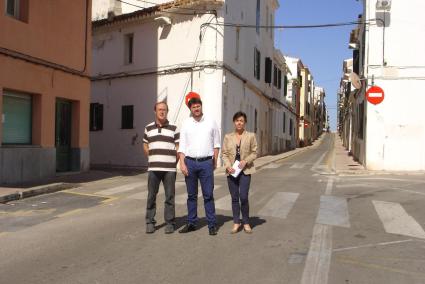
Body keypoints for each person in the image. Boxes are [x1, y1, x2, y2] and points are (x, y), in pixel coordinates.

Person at [178, 92, 221, 236]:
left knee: (208, 195)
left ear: (201, 106)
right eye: (194, 107)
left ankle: (212, 224)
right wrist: (182, 163)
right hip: (190, 162)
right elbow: (182, 146)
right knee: (191, 195)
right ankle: (191, 222)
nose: (196, 108)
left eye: (198, 106)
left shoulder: (211, 121)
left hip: (205, 163)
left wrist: (214, 160)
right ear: (190, 108)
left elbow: (216, 143)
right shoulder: (185, 123)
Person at [143, 101, 179, 234]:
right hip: (153, 169)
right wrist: (151, 157)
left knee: (170, 197)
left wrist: (173, 161)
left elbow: (178, 147)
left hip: (170, 169)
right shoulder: (148, 128)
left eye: (164, 109)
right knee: (151, 196)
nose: (162, 112)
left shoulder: (174, 128)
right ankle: (150, 222)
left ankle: (170, 223)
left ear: (167, 111)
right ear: (155, 111)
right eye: (159, 109)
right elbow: (145, 145)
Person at [222, 111, 257, 234]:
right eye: (237, 120)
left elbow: (254, 152)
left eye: (241, 120)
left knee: (244, 197)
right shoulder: (228, 137)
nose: (239, 123)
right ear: (234, 122)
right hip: (232, 171)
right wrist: (227, 166)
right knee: (234, 198)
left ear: (245, 122)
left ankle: (246, 222)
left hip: (245, 171)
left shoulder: (251, 136)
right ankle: (236, 222)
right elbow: (224, 154)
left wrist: (245, 161)